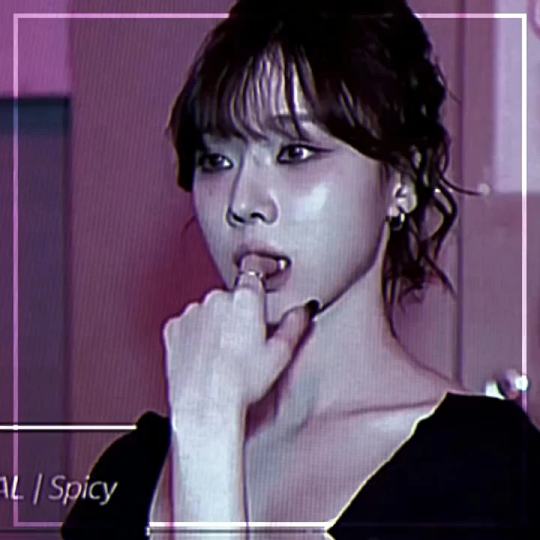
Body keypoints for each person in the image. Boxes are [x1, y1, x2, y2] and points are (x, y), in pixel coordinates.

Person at [62, 0, 540, 538]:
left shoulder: (488, 472)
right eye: (216, 160)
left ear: (402, 178)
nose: (242, 202)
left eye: (294, 152)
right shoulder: (131, 472)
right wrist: (203, 431)